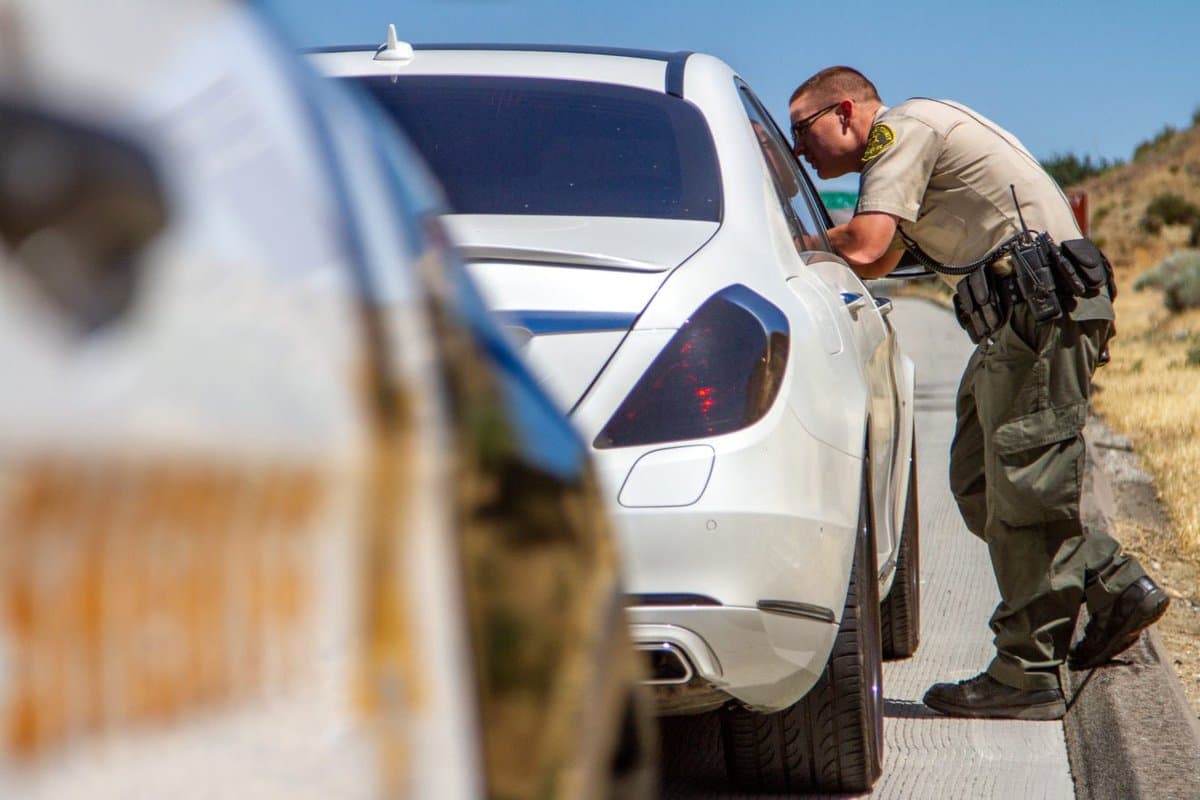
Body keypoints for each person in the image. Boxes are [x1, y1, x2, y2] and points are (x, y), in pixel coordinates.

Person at [787, 66, 1169, 720]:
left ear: (845, 112)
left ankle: (1028, 675)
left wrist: (786, 246)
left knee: (1024, 483)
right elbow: (891, 254)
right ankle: (1110, 582)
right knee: (978, 479)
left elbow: (871, 246)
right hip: (1024, 317)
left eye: (803, 130)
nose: (800, 150)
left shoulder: (896, 131)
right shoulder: (916, 140)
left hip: (1037, 312)